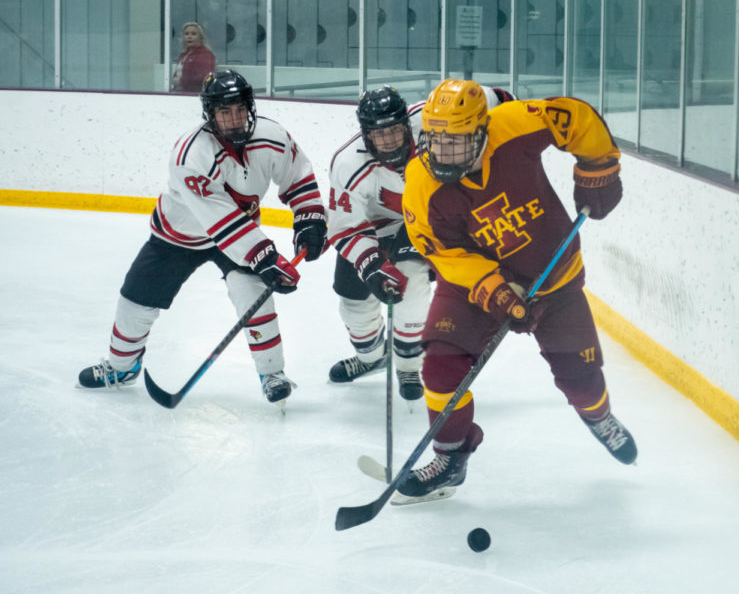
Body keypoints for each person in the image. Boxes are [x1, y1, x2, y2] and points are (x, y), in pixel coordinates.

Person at [397, 79, 638, 501]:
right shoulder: (421, 182)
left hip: (555, 277)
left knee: (581, 379)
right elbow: (444, 253)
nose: (441, 154)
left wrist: (597, 167)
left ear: (481, 130)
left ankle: (599, 418)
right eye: (434, 141)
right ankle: (450, 458)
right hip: (476, 285)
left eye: (454, 143)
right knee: (439, 367)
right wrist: (496, 290)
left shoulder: (512, 125)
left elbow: (576, 118)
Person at [77, 70, 328, 405]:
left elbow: (297, 176)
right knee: (135, 301)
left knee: (253, 294)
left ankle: (272, 373)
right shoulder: (191, 155)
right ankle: (121, 367)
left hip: (240, 234)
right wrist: (266, 258)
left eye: (239, 109)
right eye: (225, 112)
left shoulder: (273, 136)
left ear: (249, 107)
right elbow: (219, 219)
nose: (234, 119)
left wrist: (309, 218)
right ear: (210, 115)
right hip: (177, 238)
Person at [326, 84, 516, 401]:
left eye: (394, 130)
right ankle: (372, 359)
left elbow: (486, 98)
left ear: (407, 122)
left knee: (412, 283)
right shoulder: (347, 164)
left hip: (423, 220)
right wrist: (371, 267)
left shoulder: (431, 121)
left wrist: (516, 111)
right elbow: (346, 228)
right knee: (353, 303)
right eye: (378, 133)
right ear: (365, 133)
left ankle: (408, 365)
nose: (388, 140)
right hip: (370, 230)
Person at [172, 21, 216, 93]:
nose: (189, 37)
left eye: (193, 34)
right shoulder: (183, 55)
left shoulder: (206, 54)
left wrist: (181, 81)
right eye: (186, 34)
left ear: (201, 37)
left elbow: (205, 78)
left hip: (195, 95)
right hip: (180, 93)